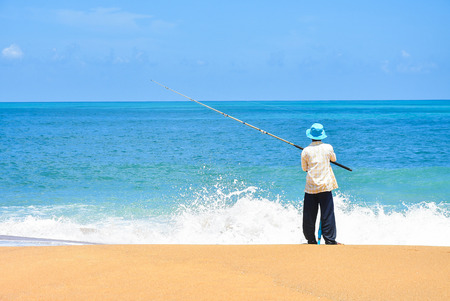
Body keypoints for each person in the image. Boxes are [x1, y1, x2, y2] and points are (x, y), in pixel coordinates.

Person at [301, 123, 339, 245]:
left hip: (311, 186)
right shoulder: (328, 147)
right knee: (327, 214)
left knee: (309, 215)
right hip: (325, 186)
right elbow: (334, 159)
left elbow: (304, 168)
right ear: (322, 135)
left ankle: (310, 239)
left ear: (310, 136)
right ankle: (329, 240)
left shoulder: (305, 151)